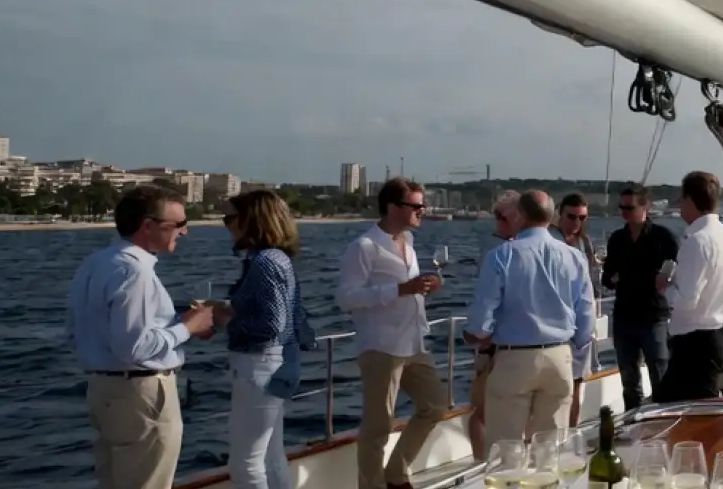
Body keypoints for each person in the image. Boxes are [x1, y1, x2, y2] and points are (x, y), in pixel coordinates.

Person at [66, 185, 213, 489]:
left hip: (103, 390)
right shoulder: (136, 272)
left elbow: (78, 329)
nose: (184, 232)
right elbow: (135, 347)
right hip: (142, 394)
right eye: (179, 225)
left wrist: (176, 322)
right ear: (148, 226)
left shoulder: (95, 263)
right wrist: (187, 328)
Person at [336, 177, 447, 489]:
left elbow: (407, 292)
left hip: (413, 341)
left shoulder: (408, 243)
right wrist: (400, 289)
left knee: (435, 405)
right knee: (378, 427)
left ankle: (396, 471)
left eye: (422, 205)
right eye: (416, 205)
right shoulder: (364, 247)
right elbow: (346, 298)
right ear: (392, 207)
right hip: (381, 345)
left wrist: (425, 288)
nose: (422, 210)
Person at [465, 191, 595, 447]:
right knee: (551, 447)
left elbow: (481, 321)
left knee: (505, 448)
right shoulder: (574, 257)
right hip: (559, 357)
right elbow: (586, 314)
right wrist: (576, 342)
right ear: (553, 216)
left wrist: (474, 334)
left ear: (520, 216)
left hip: (515, 359)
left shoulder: (502, 256)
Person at [220, 190, 314, 489]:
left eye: (230, 218)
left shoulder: (263, 262)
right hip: (274, 365)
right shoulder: (278, 259)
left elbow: (272, 324)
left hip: (258, 366)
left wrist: (226, 317)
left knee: (245, 464)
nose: (227, 225)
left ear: (251, 220)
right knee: (271, 459)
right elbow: (294, 317)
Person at [652, 171, 723, 403]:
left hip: (697, 346)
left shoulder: (698, 241)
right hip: (719, 337)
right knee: (685, 405)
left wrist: (665, 287)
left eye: (682, 199)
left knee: (683, 411)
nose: (680, 205)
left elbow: (686, 302)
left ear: (691, 200)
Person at [600, 184, 679, 410]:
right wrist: (612, 278)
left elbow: (677, 267)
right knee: (629, 378)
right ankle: (633, 422)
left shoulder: (663, 237)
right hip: (625, 316)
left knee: (659, 374)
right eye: (621, 207)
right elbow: (607, 277)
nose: (624, 211)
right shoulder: (617, 239)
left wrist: (662, 277)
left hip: (653, 316)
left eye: (629, 207)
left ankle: (663, 420)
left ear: (646, 207)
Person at [467, 190, 521, 460]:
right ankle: (480, 463)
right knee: (483, 411)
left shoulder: (508, 249)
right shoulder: (495, 251)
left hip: (513, 344)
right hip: (494, 345)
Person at [552, 192, 600, 423]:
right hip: (554, 324)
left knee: (576, 385)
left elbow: (590, 281)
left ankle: (571, 433)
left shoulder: (585, 242)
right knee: (553, 389)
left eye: (582, 218)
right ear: (559, 214)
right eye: (572, 217)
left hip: (579, 325)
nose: (577, 223)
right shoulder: (550, 241)